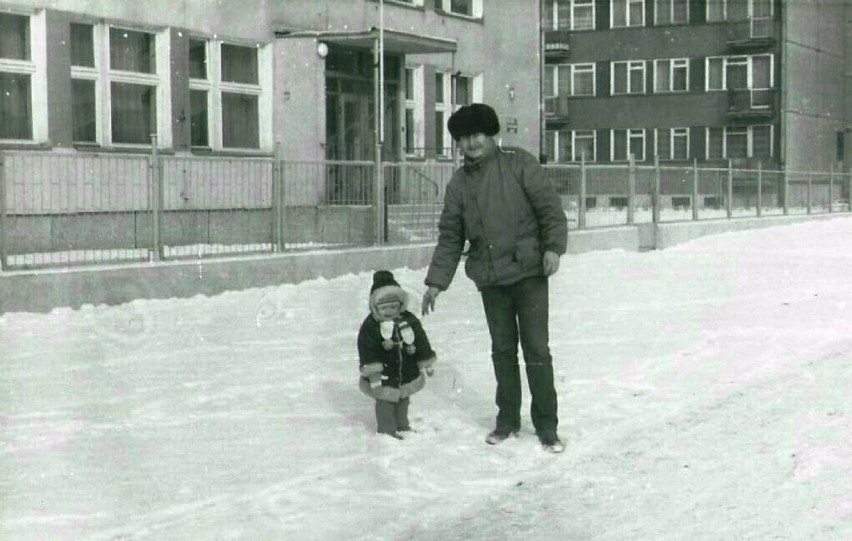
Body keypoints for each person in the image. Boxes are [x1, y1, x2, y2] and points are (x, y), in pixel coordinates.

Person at [420, 103, 568, 453]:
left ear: (491, 134)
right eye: (463, 138)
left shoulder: (519, 164)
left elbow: (550, 209)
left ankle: (547, 426)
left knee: (536, 350)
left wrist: (553, 249)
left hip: (529, 272)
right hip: (490, 278)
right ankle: (508, 420)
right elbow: (451, 236)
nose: (470, 143)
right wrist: (436, 282)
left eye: (476, 135)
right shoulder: (459, 184)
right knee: (502, 350)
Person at [358, 270, 436, 439]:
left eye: (393, 307)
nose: (389, 311)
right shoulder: (371, 326)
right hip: (383, 374)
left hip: (406, 371)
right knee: (385, 402)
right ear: (374, 306)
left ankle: (402, 425)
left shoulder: (408, 320)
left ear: (401, 304)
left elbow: (421, 340)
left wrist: (425, 359)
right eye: (384, 308)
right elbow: (367, 349)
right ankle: (387, 431)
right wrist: (373, 373)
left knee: (403, 400)